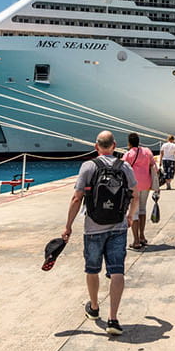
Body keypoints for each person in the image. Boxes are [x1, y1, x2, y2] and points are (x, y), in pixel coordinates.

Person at [63, 131, 138, 336]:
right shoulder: (125, 166)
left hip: (93, 227)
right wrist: (130, 216)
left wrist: (68, 226)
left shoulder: (88, 166)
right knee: (117, 271)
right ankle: (113, 319)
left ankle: (94, 307)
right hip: (118, 226)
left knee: (92, 269)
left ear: (96, 147)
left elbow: (77, 198)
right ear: (114, 145)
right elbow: (135, 194)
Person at [123, 132, 158, 249]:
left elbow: (122, 168)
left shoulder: (128, 154)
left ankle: (136, 240)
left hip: (134, 186)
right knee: (142, 209)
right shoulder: (147, 151)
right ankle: (142, 236)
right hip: (146, 184)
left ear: (129, 143)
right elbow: (154, 166)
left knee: (134, 212)